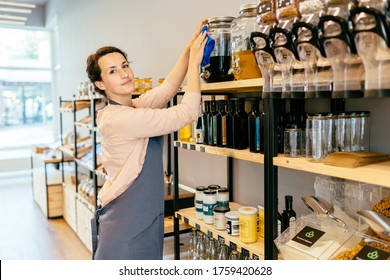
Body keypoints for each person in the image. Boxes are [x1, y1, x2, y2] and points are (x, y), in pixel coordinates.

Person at [86, 19, 208, 260]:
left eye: (124, 65)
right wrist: (194, 65)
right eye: (113, 71)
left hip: (142, 220)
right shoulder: (120, 119)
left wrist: (189, 47)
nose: (124, 74)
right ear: (100, 84)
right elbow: (187, 113)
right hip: (126, 229)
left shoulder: (131, 107)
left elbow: (168, 88)